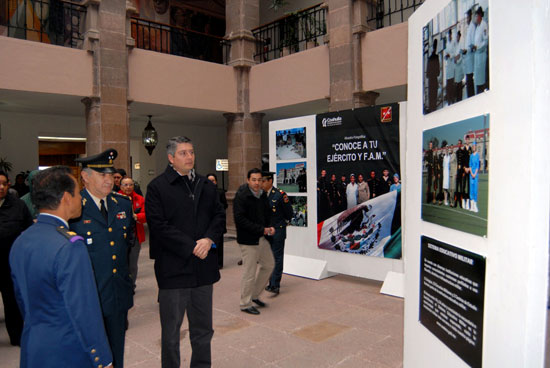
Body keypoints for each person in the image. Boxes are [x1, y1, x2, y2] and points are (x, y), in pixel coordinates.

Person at [10, 166, 113, 368]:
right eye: (77, 193)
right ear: (66, 198)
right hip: (69, 351)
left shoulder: (21, 241)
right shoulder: (70, 247)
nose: (80, 199)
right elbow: (84, 311)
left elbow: (22, 301)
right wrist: (102, 358)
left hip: (34, 348)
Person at [146, 136, 224, 368]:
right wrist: (191, 246)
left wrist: (209, 239)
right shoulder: (158, 187)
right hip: (173, 270)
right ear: (171, 158)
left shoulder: (206, 185)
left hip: (202, 270)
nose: (189, 157)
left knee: (203, 330)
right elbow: (158, 226)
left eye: (191, 152)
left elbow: (219, 215)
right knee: (171, 334)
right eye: (183, 153)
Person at [70, 149, 134, 368]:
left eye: (110, 174)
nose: (109, 180)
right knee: (89, 355)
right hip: (88, 297)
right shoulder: (74, 208)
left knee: (116, 352)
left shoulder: (122, 204)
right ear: (85, 177)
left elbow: (127, 244)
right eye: (102, 175)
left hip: (117, 293)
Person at [233, 168, 275, 315]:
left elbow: (267, 212)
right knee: (249, 273)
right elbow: (240, 220)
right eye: (254, 180)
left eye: (259, 180)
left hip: (262, 237)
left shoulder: (262, 194)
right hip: (248, 240)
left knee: (269, 265)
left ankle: (254, 295)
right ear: (248, 180)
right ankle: (245, 304)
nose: (257, 183)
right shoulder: (241, 196)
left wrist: (269, 227)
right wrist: (261, 229)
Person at [0, 170, 32, 346]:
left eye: (4, 183)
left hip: (10, 263)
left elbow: (27, 232)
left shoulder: (18, 206)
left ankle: (17, 337)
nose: (1, 187)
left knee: (12, 302)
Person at [261, 171, 293, 295]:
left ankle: (275, 284)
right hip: (266, 231)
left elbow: (289, 213)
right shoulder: (261, 195)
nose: (261, 183)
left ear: (270, 181)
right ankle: (271, 282)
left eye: (263, 181)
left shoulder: (280, 195)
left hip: (278, 230)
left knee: (277, 257)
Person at [119, 177, 146, 291]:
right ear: (120, 186)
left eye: (130, 185)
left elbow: (146, 215)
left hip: (135, 235)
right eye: (125, 185)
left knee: (133, 264)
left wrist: (136, 216)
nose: (128, 187)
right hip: (120, 237)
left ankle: (131, 286)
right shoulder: (114, 198)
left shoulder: (139, 199)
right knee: (121, 262)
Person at [206, 172, 228, 269]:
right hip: (207, 223)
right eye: (209, 180)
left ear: (216, 182)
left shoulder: (220, 192)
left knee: (219, 244)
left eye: (213, 180)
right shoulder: (203, 192)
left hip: (218, 223)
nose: (211, 182)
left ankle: (219, 263)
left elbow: (225, 205)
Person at [473, 7, 488, 94]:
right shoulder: (477, 27)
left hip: (481, 57)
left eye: (476, 16)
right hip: (477, 56)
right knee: (478, 80)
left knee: (481, 81)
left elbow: (485, 41)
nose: (475, 18)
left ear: (480, 16)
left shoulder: (484, 25)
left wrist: (477, 47)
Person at [464, 9, 476, 97]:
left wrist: (467, 50)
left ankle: (471, 97)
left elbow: (472, 44)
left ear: (470, 17)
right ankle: (470, 96)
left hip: (470, 57)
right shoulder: (469, 28)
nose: (466, 19)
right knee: (468, 81)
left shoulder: (472, 27)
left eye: (467, 17)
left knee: (469, 80)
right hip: (468, 58)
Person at [427, 38, 440, 112]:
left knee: (430, 95)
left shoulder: (429, 58)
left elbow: (427, 73)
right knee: (434, 95)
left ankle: (431, 108)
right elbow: (438, 72)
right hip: (434, 79)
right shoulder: (436, 57)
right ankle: (433, 109)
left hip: (430, 80)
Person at [444, 29, 456, 105]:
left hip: (452, 64)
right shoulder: (447, 44)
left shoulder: (453, 43)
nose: (449, 36)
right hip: (448, 65)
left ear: (451, 35)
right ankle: (448, 98)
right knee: (448, 83)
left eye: (450, 35)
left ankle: (452, 98)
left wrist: (450, 55)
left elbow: (454, 53)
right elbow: (445, 54)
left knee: (452, 82)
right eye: (448, 35)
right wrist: (446, 56)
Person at [469, 141, 480, 213]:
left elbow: (477, 166)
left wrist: (474, 174)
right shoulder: (471, 156)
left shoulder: (477, 155)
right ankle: (471, 206)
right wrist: (471, 173)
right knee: (471, 190)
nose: (473, 147)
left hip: (475, 175)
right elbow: (470, 165)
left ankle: (475, 206)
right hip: (471, 175)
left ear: (476, 147)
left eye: (474, 146)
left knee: (475, 190)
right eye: (472, 146)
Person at [454, 30, 465, 102]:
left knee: (459, 83)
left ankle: (460, 99)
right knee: (457, 84)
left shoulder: (461, 45)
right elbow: (455, 55)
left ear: (459, 37)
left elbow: (460, 56)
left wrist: (457, 59)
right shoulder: (456, 45)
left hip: (459, 66)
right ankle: (457, 98)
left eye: (458, 36)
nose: (457, 38)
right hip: (456, 67)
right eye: (456, 37)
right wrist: (455, 59)